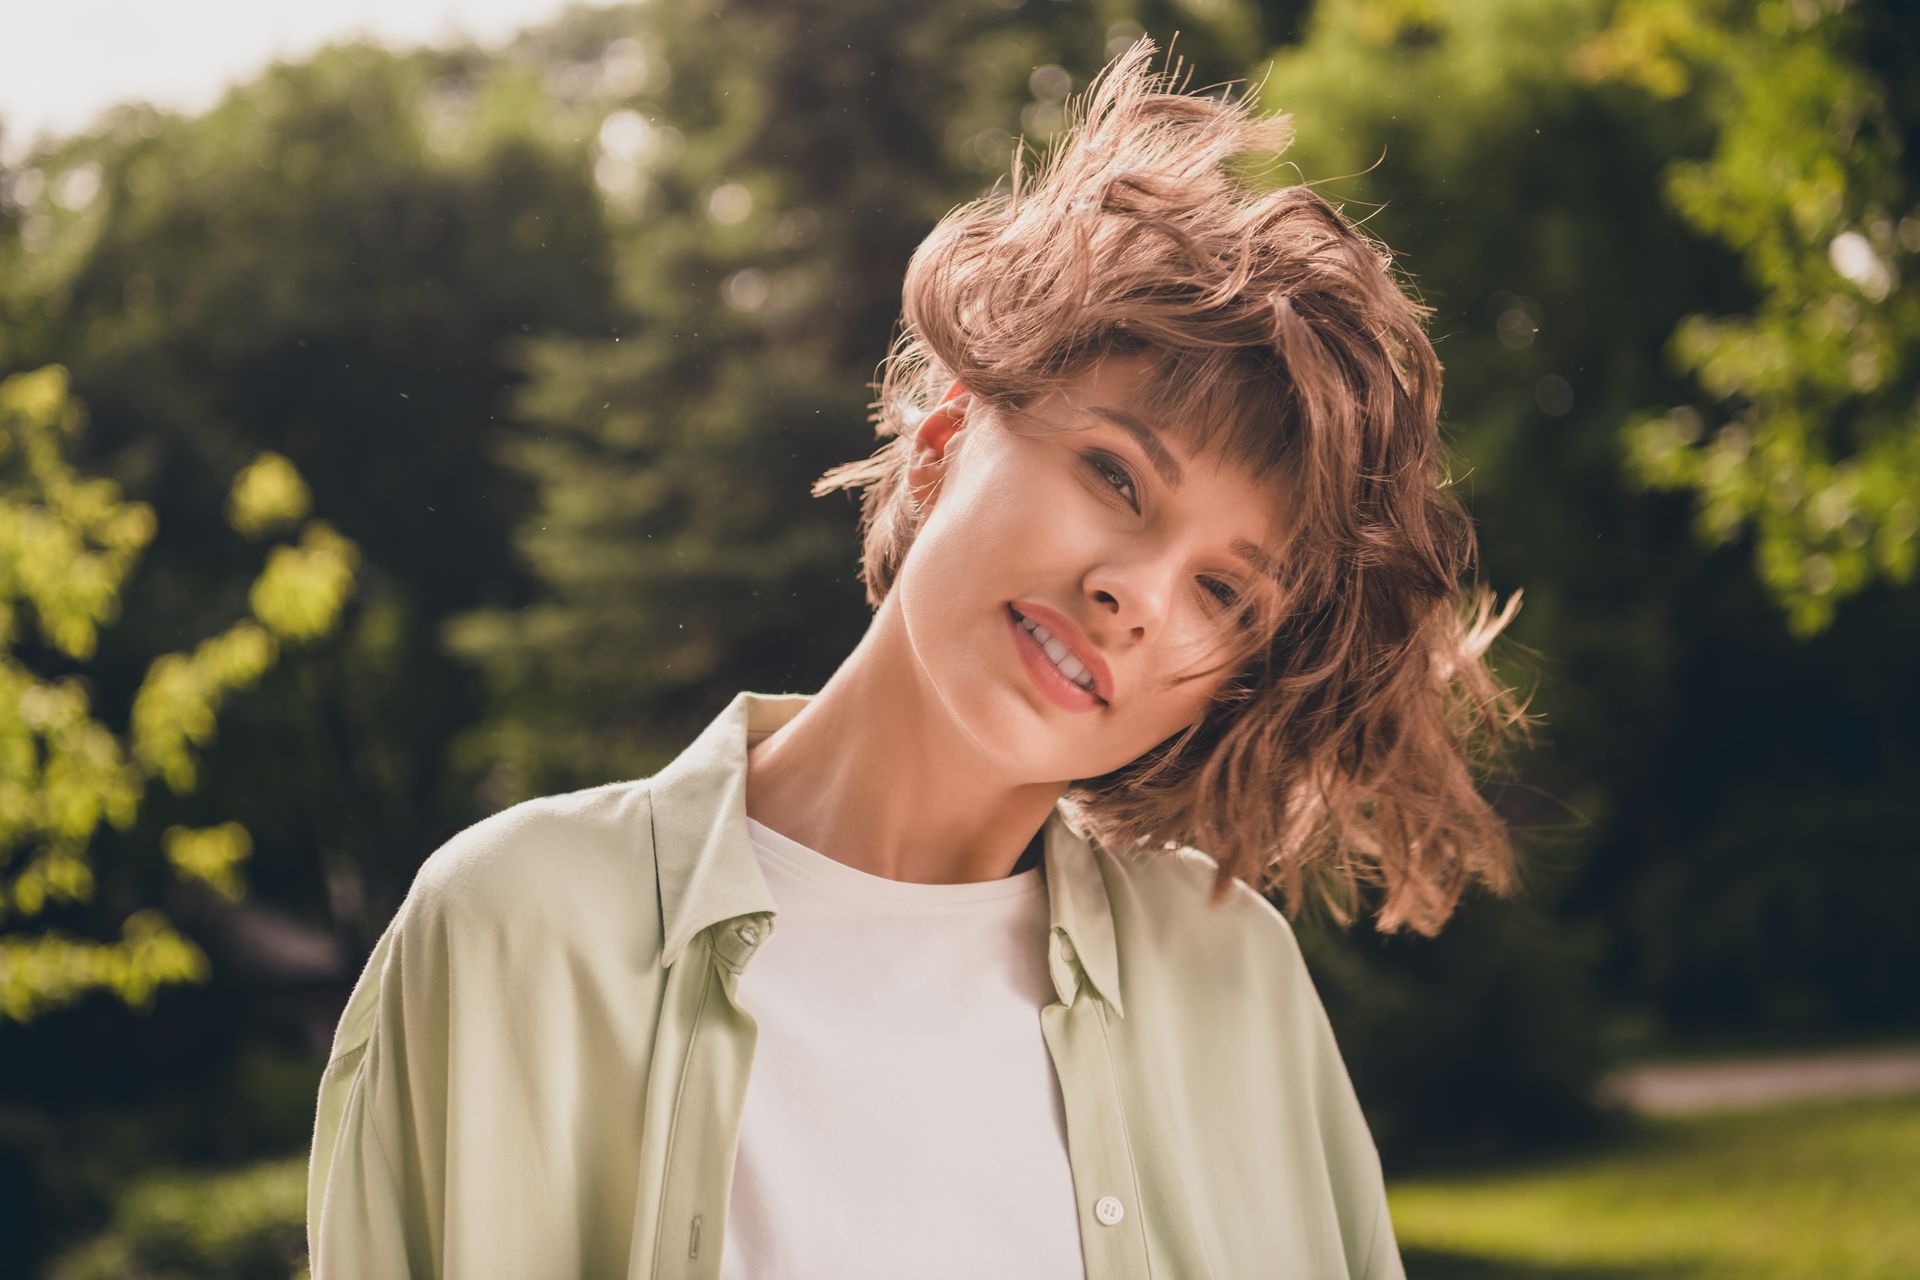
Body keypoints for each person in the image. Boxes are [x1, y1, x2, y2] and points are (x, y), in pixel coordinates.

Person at [305, 33, 1529, 1280]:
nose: (1136, 595)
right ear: (944, 443)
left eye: (1224, 590)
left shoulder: (1234, 978)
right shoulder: (514, 928)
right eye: (1116, 477)